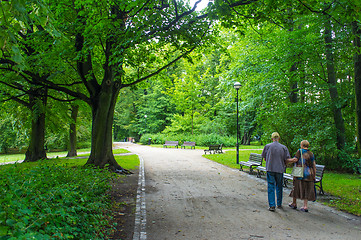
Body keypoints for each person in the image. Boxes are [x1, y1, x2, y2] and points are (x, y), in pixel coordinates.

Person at [262, 132, 293, 211]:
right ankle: (279, 203)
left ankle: (272, 205)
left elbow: (264, 158)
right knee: (279, 186)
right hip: (280, 169)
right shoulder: (283, 147)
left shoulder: (268, 146)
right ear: (279, 138)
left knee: (271, 186)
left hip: (270, 168)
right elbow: (286, 159)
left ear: (272, 139)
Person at [289, 140, 316, 212]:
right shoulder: (311, 153)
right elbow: (314, 165)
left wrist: (288, 160)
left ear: (301, 145)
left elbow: (295, 159)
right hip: (309, 174)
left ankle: (294, 203)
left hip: (300, 174)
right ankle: (305, 206)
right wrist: (314, 175)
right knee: (306, 189)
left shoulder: (299, 151)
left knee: (296, 187)